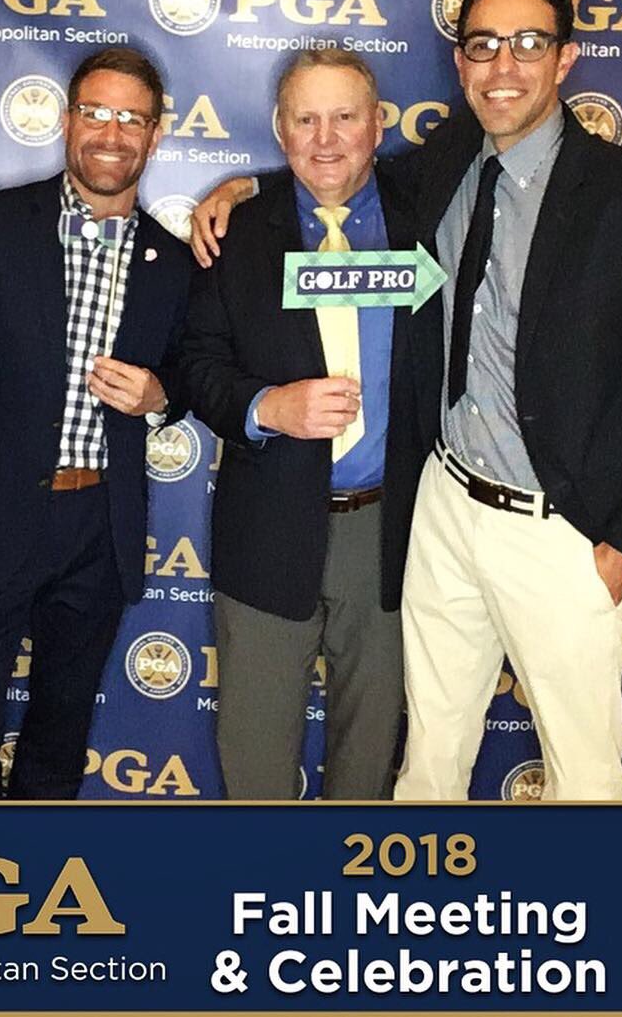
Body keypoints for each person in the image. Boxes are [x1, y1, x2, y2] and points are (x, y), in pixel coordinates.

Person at [393, 0, 622, 801]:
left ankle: (603, 930)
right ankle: (415, 927)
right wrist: (247, 187)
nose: (503, 66)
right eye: (482, 46)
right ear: (459, 62)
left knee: (584, 783)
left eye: (528, 43)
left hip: (561, 530)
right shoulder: (445, 164)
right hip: (445, 501)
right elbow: (342, 179)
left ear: (566, 58)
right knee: (428, 758)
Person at [0, 47, 192, 800]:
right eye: (95, 113)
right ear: (67, 122)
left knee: (61, 731)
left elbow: (196, 376)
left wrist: (159, 393)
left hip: (98, 525)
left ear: (156, 134)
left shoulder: (173, 260)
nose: (111, 133)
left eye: (131, 118)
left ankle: (35, 880)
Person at [180, 49, 422, 800]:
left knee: (371, 753)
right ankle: (267, 896)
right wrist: (265, 408)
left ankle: (343, 904)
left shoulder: (432, 214)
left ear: (377, 125)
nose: (325, 138)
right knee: (254, 756)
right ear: (280, 131)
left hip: (392, 535)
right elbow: (195, 360)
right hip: (268, 526)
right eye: (305, 119)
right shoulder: (236, 232)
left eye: (344, 117)